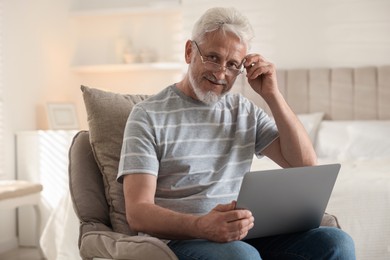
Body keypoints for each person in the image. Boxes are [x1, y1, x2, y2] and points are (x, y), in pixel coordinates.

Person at [117, 6, 355, 260]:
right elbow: (138, 212)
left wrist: (272, 95)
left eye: (232, 65)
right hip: (183, 239)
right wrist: (202, 226)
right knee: (241, 256)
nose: (221, 73)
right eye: (212, 57)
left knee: (336, 242)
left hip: (243, 235)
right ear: (189, 51)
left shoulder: (243, 111)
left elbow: (305, 164)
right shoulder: (148, 115)